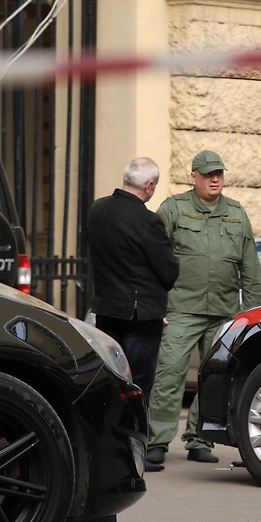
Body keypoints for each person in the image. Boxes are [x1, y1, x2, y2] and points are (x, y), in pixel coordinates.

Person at [145, 150, 261, 469]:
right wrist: (156, 303)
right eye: (208, 174)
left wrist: (250, 314)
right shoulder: (173, 209)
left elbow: (251, 268)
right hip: (181, 308)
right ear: (193, 177)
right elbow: (152, 258)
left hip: (224, 312)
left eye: (219, 174)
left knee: (215, 378)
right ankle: (157, 441)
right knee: (170, 373)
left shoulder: (236, 213)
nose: (214, 179)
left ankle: (200, 439)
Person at [86, 156, 179, 413]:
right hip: (141, 315)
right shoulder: (147, 220)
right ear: (149, 185)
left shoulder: (97, 210)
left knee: (109, 380)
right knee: (137, 386)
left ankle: (107, 433)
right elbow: (169, 271)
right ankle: (133, 435)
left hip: (106, 309)